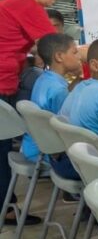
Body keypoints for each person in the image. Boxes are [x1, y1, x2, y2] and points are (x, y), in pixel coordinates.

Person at [0, 0, 62, 224]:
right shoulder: (26, 3)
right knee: (0, 148)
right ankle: (5, 209)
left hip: (7, 75)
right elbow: (56, 47)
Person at [20, 33, 80, 181]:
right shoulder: (58, 91)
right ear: (59, 56)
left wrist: (79, 78)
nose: (79, 56)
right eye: (74, 52)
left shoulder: (45, 77)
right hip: (47, 153)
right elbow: (71, 126)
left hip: (32, 146)